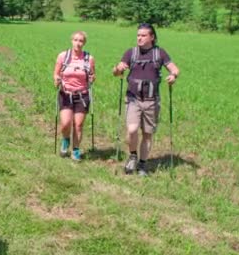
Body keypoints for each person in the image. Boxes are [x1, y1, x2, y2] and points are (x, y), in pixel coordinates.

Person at [112, 23, 180, 175]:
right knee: (132, 129)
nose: (139, 38)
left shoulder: (159, 53)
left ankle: (142, 164)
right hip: (133, 99)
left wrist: (173, 76)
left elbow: (175, 68)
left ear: (152, 37)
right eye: (138, 35)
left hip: (151, 100)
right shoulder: (131, 53)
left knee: (148, 134)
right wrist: (118, 69)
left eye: (143, 35)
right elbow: (116, 71)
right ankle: (133, 156)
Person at [53, 31, 96, 161]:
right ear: (71, 41)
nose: (78, 43)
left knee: (78, 125)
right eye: (76, 40)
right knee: (65, 123)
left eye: (81, 41)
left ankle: (76, 150)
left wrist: (92, 78)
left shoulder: (89, 58)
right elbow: (56, 73)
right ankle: (66, 139)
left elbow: (93, 75)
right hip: (66, 94)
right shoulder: (63, 56)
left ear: (84, 43)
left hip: (82, 95)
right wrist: (56, 79)